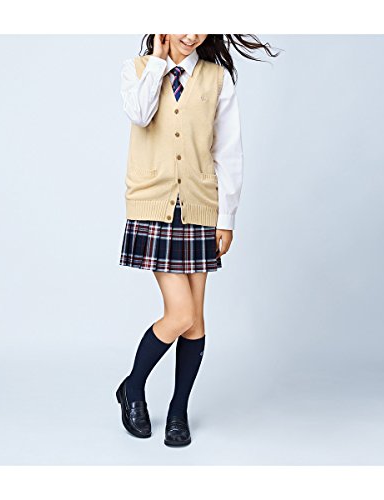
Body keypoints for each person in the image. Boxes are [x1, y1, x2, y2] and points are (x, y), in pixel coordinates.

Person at [116, 34, 280, 447]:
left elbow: (229, 151)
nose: (192, 35)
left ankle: (178, 410)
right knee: (181, 313)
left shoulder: (217, 78)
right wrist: (158, 62)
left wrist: (227, 217)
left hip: (200, 206)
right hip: (153, 205)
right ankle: (133, 387)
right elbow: (139, 114)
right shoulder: (137, 70)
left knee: (196, 319)